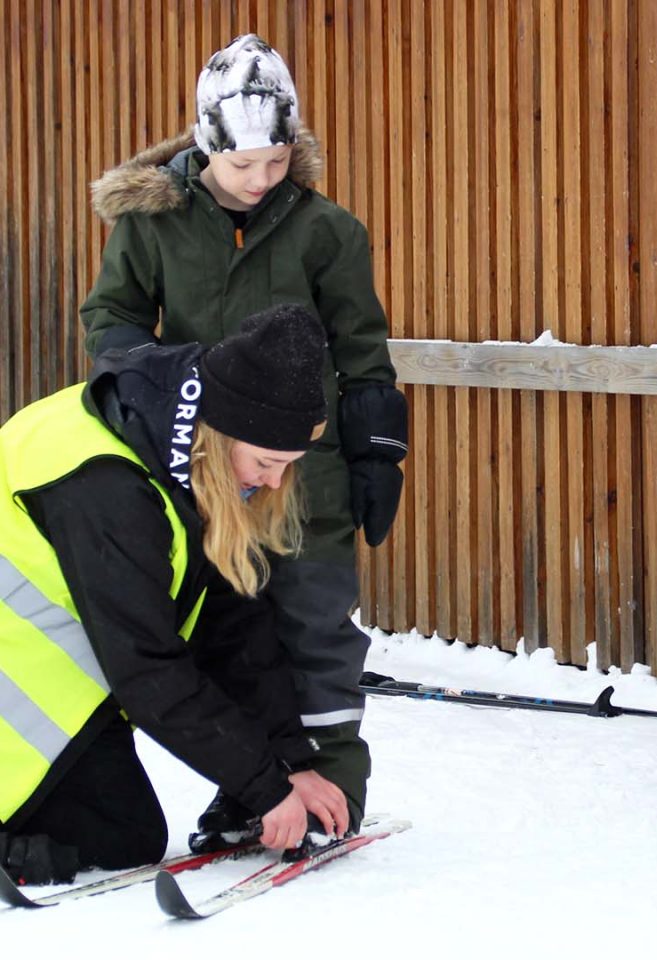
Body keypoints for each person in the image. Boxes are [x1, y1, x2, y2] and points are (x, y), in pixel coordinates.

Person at [79, 34, 407, 844]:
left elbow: (361, 347)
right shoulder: (153, 225)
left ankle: (333, 785)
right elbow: (111, 319)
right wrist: (165, 379)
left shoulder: (328, 231)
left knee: (316, 627)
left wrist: (377, 448)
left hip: (308, 471)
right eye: (241, 167)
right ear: (204, 146)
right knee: (230, 629)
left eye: (274, 161)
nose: (260, 180)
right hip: (209, 467)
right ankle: (252, 789)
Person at [0, 304, 351, 885]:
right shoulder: (110, 488)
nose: (275, 482)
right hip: (18, 693)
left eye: (290, 466)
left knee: (123, 831)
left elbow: (233, 624)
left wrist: (290, 764)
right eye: (267, 462)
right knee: (121, 839)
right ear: (223, 434)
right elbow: (147, 666)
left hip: (52, 679)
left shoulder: (178, 438)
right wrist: (263, 788)